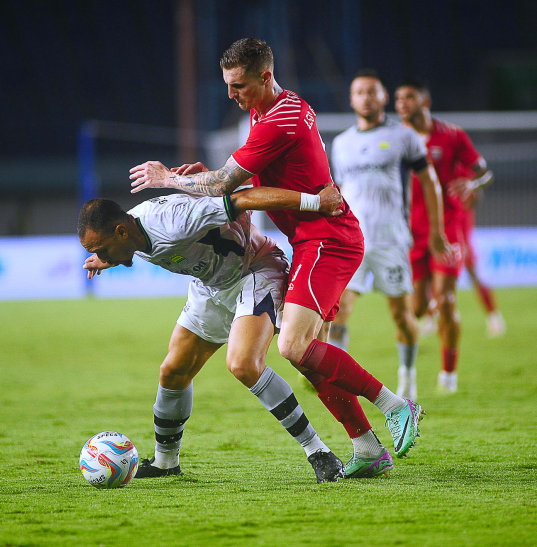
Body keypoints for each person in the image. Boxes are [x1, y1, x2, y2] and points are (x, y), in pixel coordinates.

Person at [129, 38, 424, 479]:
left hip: (326, 237)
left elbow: (228, 185)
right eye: (228, 85)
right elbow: (235, 178)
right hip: (312, 238)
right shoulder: (270, 108)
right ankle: (366, 447)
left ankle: (396, 406)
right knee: (310, 353)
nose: (232, 94)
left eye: (240, 85)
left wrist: (169, 178)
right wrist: (204, 178)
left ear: (265, 77)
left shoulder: (279, 119)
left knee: (292, 345)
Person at [78, 185, 347, 483]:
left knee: (244, 364)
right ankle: (166, 462)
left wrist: (315, 201)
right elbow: (125, 245)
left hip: (254, 269)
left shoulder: (173, 220)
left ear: (121, 232)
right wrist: (109, 258)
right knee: (173, 371)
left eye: (101, 249)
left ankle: (318, 451)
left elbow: (242, 199)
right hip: (211, 285)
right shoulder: (128, 235)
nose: (100, 255)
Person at [327, 69, 450, 401]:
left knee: (401, 313)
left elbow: (429, 181)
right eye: (359, 92)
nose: (366, 97)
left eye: (372, 91)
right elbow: (338, 193)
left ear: (383, 97)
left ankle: (407, 375)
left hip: (390, 240)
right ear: (352, 100)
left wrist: (437, 231)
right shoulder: (340, 144)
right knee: (339, 311)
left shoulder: (403, 136)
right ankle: (340, 381)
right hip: (351, 242)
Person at [394, 78, 495, 394]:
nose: (402, 104)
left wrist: (473, 186)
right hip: (410, 233)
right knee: (416, 308)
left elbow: (484, 173)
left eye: (409, 97)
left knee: (447, 300)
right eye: (398, 99)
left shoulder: (451, 136)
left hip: (447, 229)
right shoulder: (396, 138)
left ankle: (448, 376)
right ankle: (407, 374)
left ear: (425, 100)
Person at [452, 164, 506, 338]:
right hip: (442, 230)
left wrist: (470, 193)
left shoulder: (464, 170)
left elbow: (477, 196)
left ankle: (494, 317)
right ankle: (432, 318)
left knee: (472, 274)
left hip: (460, 230)